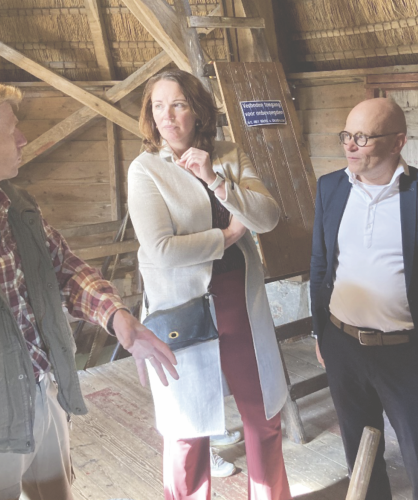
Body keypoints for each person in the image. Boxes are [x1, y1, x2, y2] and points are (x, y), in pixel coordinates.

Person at [0, 74, 178, 500]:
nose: (24, 139)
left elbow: (64, 268)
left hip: (45, 395)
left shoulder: (16, 205)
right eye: (13, 131)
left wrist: (117, 316)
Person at [127, 69, 291, 500]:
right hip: (182, 309)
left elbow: (268, 216)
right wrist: (228, 236)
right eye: (158, 106)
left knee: (263, 417)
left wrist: (217, 181)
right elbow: (162, 249)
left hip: (239, 300)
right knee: (187, 430)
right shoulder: (145, 170)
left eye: (178, 104)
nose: (167, 116)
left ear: (197, 111)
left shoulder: (228, 155)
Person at [310, 97, 418, 500]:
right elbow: (320, 266)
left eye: (362, 137)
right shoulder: (331, 187)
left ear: (397, 143)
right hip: (343, 345)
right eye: (346, 135)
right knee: (360, 455)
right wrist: (319, 334)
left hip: (406, 351)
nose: (350, 145)